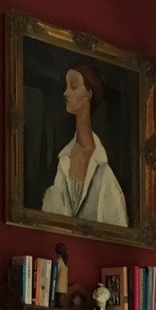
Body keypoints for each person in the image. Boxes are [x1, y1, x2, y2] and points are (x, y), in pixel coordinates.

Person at [41, 62, 128, 227]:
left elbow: (119, 226)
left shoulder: (105, 173)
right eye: (66, 86)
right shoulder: (63, 160)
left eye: (73, 86)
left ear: (88, 94)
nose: (65, 93)